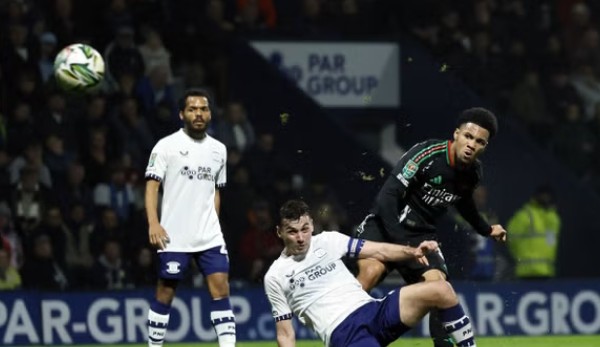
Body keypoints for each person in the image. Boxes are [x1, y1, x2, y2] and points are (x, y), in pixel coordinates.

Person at [354, 107, 507, 347]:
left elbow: (464, 204)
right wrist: (402, 245)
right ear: (456, 134)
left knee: (439, 288)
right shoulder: (426, 154)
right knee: (369, 274)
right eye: (468, 136)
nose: (471, 145)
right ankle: (343, 336)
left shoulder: (473, 173)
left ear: (484, 147)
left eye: (479, 141)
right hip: (384, 226)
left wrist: (487, 229)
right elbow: (387, 198)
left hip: (421, 236)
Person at [264, 200, 477, 347]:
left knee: (441, 290)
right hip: (345, 334)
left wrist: (412, 251)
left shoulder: (329, 240)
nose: (301, 237)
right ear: (279, 232)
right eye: (292, 231)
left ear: (312, 225)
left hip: (374, 311)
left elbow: (380, 249)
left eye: (305, 229)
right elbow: (285, 333)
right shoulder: (276, 275)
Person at [144, 89, 235, 347]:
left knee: (221, 289)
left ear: (209, 114)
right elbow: (151, 186)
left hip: (209, 235)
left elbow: (217, 191)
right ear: (182, 114)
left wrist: (213, 223)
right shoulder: (166, 146)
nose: (199, 114)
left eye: (203, 109)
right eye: (193, 109)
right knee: (165, 292)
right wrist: (153, 222)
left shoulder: (219, 150)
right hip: (174, 235)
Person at [506, 184, 561, 280]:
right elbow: (511, 239)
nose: (545, 199)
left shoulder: (553, 217)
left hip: (547, 271)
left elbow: (551, 242)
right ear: (536, 196)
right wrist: (519, 258)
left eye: (547, 196)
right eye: (543, 195)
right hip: (527, 272)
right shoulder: (526, 215)